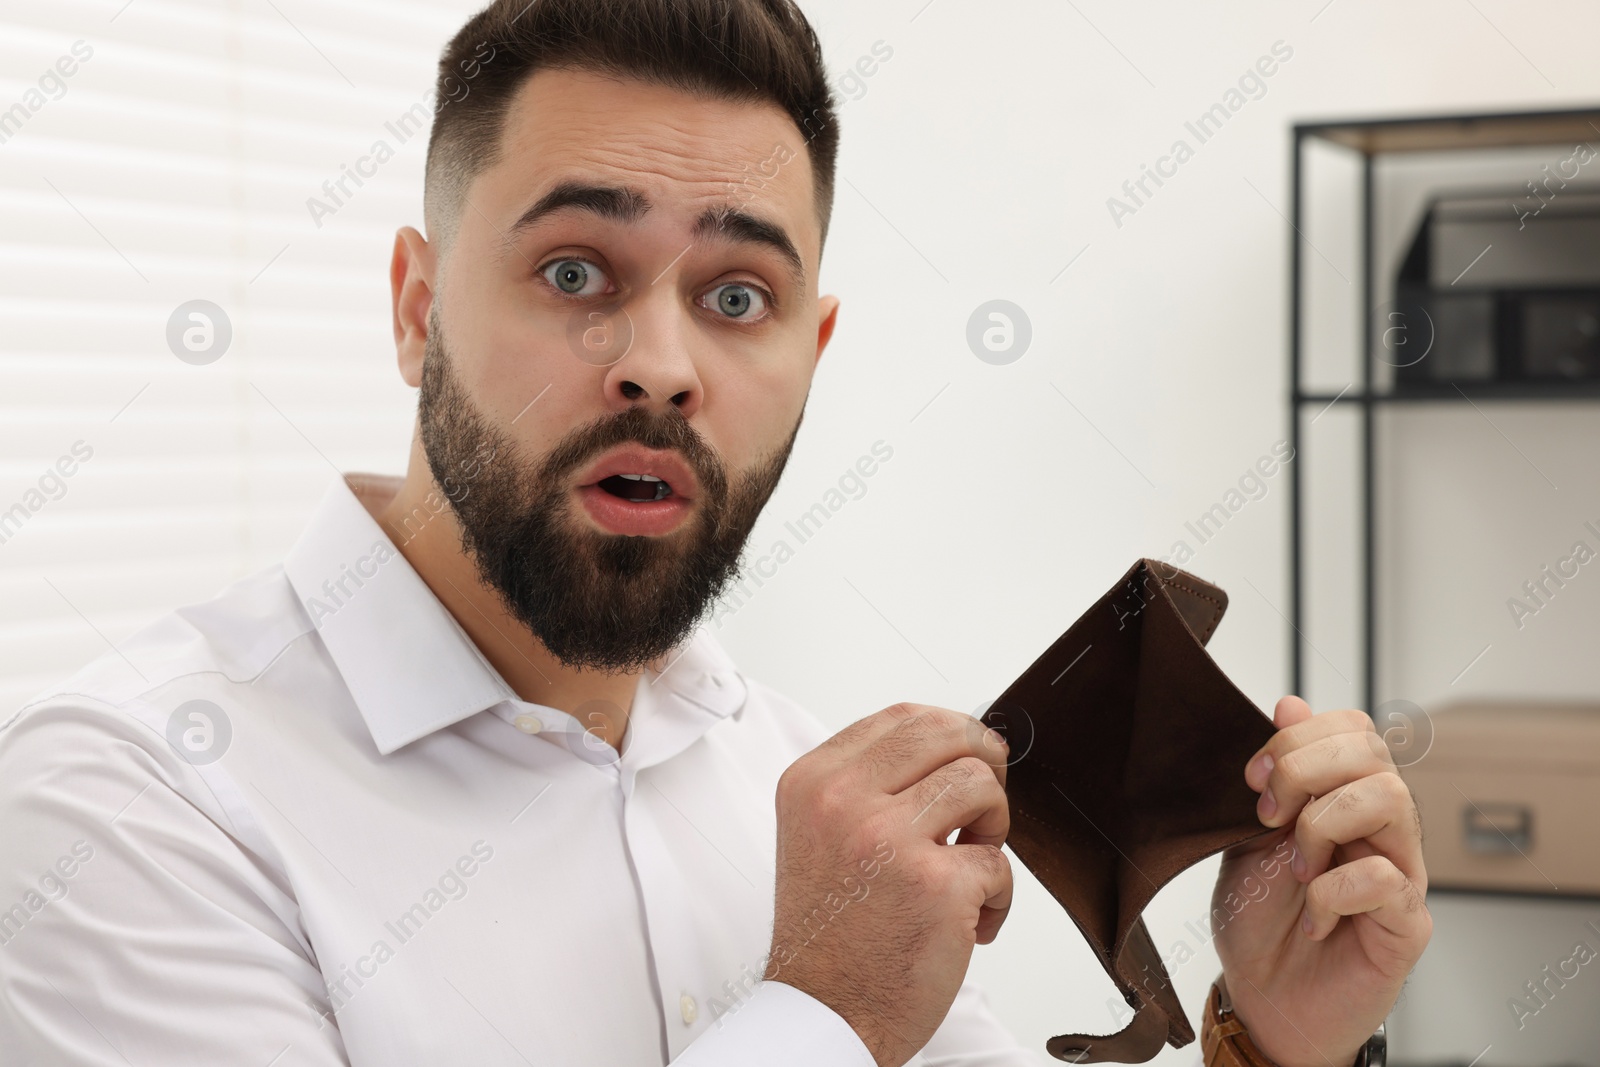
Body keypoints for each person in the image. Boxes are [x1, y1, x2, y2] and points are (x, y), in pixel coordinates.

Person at [0, 1, 1429, 1064]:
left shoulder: (789, 783)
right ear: (416, 310)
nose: (662, 366)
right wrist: (823, 1013)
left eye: (737, 296)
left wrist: (1276, 1045)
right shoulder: (131, 807)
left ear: (812, 350)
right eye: (576, 268)